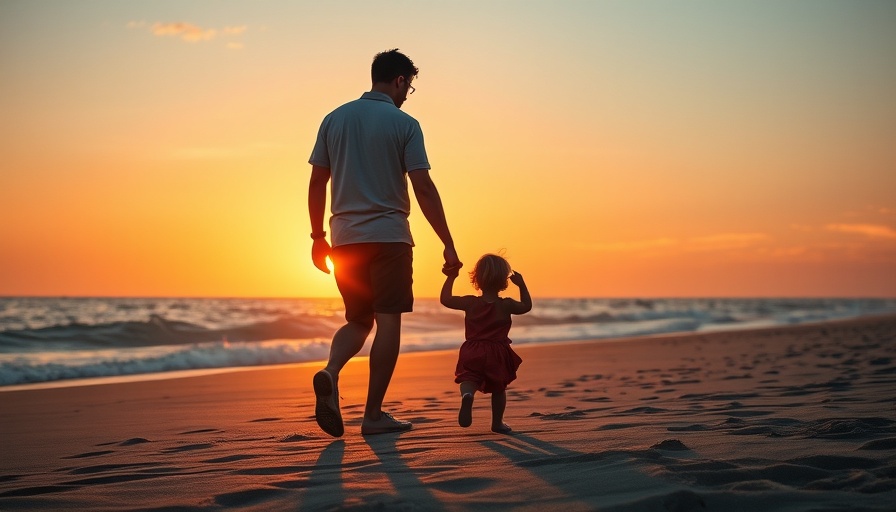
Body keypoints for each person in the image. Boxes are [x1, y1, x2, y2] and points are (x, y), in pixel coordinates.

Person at [307, 49, 461, 437]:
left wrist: (317, 237)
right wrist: (447, 242)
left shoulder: (334, 119)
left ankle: (330, 371)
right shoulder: (404, 123)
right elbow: (422, 186)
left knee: (358, 320)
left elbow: (317, 183)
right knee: (388, 322)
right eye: (409, 85)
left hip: (344, 240)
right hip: (389, 238)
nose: (408, 92)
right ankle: (373, 415)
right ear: (398, 81)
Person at [440, 254, 531, 434]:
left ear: (476, 279)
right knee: (499, 387)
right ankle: (497, 423)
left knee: (468, 378)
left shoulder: (470, 302)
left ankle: (467, 395)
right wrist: (522, 285)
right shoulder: (506, 305)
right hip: (497, 351)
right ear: (504, 281)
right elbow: (526, 306)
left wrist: (450, 277)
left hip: (472, 349)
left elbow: (446, 299)